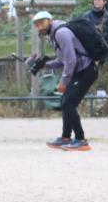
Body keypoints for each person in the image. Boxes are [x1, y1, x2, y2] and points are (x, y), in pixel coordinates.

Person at [33, 11, 97, 151]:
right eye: (36, 25)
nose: (39, 27)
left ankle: (81, 140)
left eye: (41, 23)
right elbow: (63, 60)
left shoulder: (60, 33)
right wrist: (45, 65)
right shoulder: (54, 33)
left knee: (68, 103)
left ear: (50, 20)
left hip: (86, 70)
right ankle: (65, 137)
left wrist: (64, 81)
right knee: (65, 102)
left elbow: (71, 60)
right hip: (80, 70)